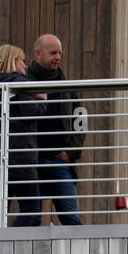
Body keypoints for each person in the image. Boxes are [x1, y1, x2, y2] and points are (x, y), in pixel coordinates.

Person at [0, 44, 41, 227]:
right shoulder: (20, 83)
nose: (25, 66)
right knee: (31, 209)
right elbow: (30, 112)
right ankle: (12, 244)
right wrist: (42, 99)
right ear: (14, 61)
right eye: (22, 61)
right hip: (20, 154)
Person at [27, 34, 83, 225]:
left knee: (71, 220)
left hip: (60, 162)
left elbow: (80, 117)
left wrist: (72, 151)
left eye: (59, 52)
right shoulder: (24, 81)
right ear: (38, 54)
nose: (58, 57)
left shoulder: (65, 84)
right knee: (32, 220)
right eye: (53, 53)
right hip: (32, 163)